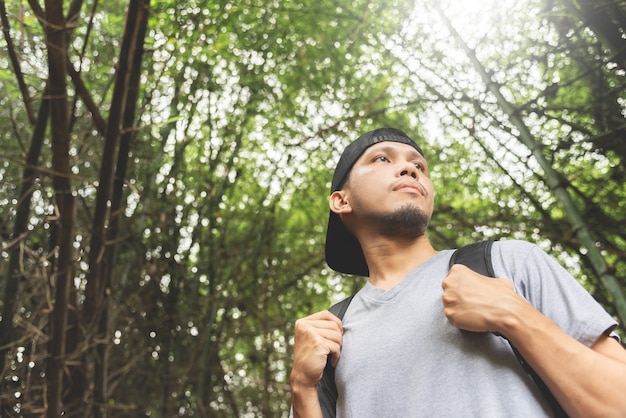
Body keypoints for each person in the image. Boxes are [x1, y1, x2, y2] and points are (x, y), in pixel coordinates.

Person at [290, 127, 626, 417]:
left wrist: (514, 315)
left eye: (418, 165)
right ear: (341, 201)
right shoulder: (332, 335)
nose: (409, 168)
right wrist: (302, 388)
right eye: (382, 158)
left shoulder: (506, 264)